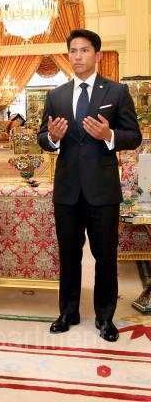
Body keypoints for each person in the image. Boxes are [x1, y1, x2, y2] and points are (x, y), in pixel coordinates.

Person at [37, 29, 142, 342]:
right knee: (69, 255)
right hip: (67, 190)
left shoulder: (116, 92)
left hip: (102, 190)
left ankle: (105, 317)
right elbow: (43, 137)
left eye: (84, 50)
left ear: (97, 55)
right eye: (73, 50)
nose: (77, 56)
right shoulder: (56, 95)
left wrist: (109, 135)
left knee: (105, 257)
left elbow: (134, 136)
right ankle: (68, 312)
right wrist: (52, 137)